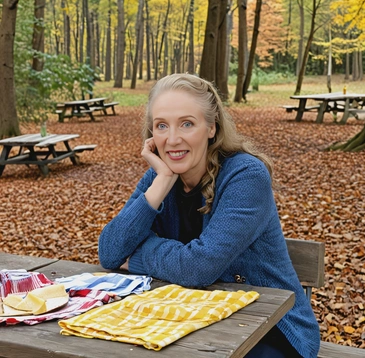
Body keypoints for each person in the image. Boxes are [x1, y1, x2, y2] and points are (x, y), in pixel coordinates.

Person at [98, 73, 320, 357]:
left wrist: (139, 256)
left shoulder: (245, 176)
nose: (173, 139)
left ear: (212, 128)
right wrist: (162, 181)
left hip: (270, 329)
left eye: (187, 124)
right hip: (197, 322)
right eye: (162, 126)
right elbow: (110, 251)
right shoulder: (159, 176)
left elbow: (199, 267)